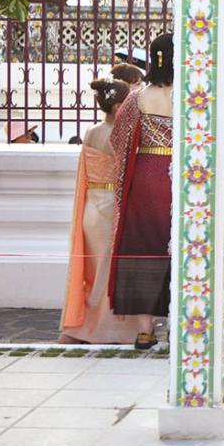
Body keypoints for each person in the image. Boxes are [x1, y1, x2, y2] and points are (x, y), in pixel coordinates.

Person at [59, 78, 144, 344]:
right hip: (111, 206)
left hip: (91, 208)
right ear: (118, 105)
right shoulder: (118, 135)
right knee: (108, 272)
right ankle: (108, 330)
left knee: (94, 272)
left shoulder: (91, 132)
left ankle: (87, 326)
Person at [109, 34, 174, 350]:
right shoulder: (194, 97)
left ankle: (144, 330)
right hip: (183, 179)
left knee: (144, 252)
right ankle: (178, 324)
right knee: (181, 251)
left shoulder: (137, 98)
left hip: (145, 179)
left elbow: (117, 140)